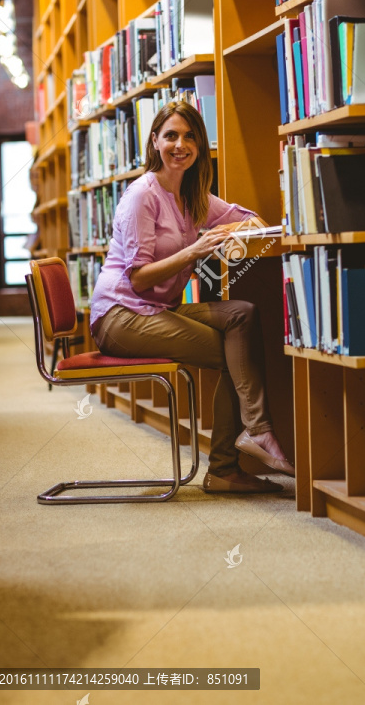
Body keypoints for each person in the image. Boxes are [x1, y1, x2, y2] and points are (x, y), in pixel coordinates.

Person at [90, 99, 294, 494]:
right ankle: (235, 455)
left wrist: (245, 226)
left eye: (189, 137)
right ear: (154, 142)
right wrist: (195, 251)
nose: (179, 144)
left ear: (199, 146)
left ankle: (237, 452)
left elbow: (245, 216)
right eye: (170, 136)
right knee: (237, 356)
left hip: (155, 309)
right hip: (120, 314)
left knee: (242, 314)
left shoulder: (192, 196)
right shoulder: (141, 196)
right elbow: (137, 280)